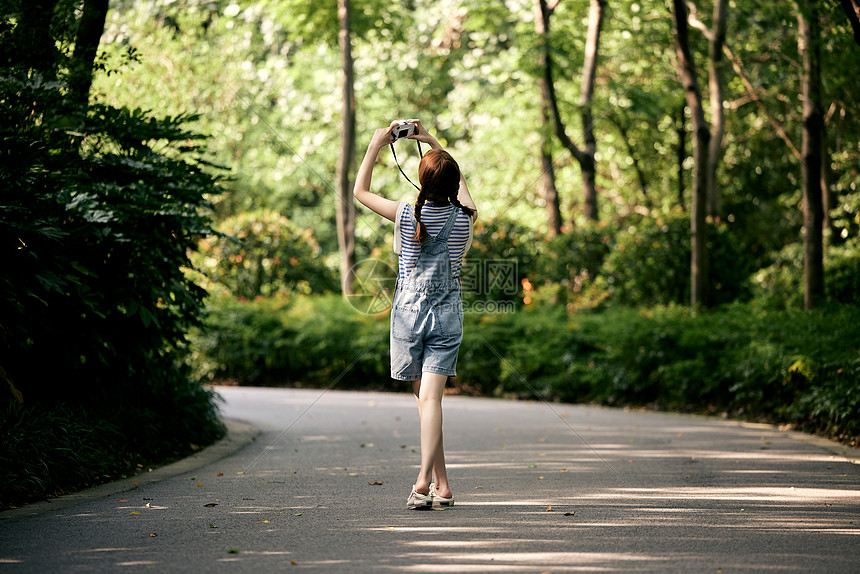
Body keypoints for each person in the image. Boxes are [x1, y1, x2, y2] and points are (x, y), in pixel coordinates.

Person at [353, 119, 477, 510]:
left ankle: (421, 483)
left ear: (421, 183)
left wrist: (376, 144)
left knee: (426, 402)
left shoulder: (406, 214)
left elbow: (360, 192)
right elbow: (463, 193)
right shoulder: (465, 219)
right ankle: (442, 484)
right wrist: (434, 143)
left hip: (409, 317)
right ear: (454, 182)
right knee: (430, 403)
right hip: (447, 315)